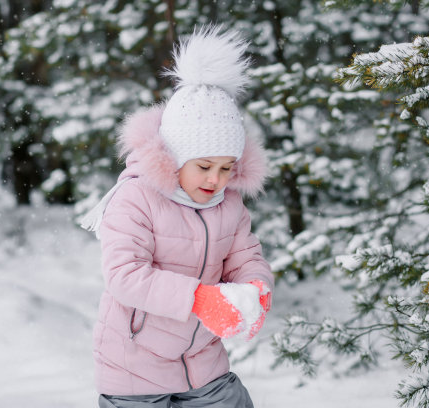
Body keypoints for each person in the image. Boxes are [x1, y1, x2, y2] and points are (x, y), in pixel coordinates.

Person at [81, 26, 274, 408]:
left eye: (226, 167)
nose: (216, 179)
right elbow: (124, 275)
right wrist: (199, 299)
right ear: (175, 154)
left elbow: (246, 256)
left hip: (203, 362)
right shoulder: (136, 197)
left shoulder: (228, 203)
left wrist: (257, 289)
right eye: (204, 165)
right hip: (133, 367)